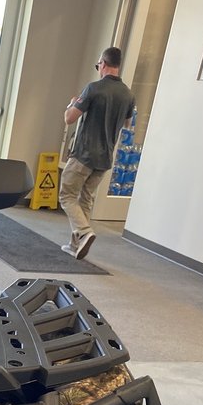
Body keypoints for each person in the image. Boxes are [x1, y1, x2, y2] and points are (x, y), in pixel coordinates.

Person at [59, 46, 135, 260]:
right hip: (105, 157)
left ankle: (84, 232)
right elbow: (128, 124)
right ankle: (76, 245)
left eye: (98, 65)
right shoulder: (128, 95)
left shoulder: (93, 89)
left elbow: (69, 118)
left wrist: (72, 104)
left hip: (84, 153)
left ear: (103, 63)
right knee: (86, 199)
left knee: (67, 195)